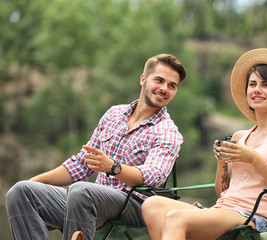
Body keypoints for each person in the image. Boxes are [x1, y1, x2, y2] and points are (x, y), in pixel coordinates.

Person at [5, 53, 186, 240]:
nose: (164, 88)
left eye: (172, 86)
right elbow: (81, 164)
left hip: (135, 206)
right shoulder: (113, 114)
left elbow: (152, 177)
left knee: (82, 191)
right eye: (159, 80)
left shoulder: (168, 131)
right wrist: (33, 182)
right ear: (143, 79)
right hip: (89, 203)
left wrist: (113, 167)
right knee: (20, 192)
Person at [141, 48, 267, 240]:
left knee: (176, 218)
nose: (257, 89)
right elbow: (222, 192)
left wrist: (253, 158)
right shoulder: (240, 136)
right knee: (151, 206)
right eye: (252, 84)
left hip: (255, 217)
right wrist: (222, 161)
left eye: (266, 85)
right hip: (224, 209)